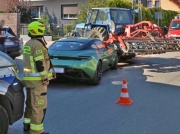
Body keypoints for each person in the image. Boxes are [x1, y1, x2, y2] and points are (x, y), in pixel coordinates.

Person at [23, 21, 56, 134]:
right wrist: (45, 78)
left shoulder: (28, 43)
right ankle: (37, 131)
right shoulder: (37, 44)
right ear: (39, 30)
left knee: (30, 105)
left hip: (29, 81)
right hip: (38, 82)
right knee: (39, 107)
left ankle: (26, 125)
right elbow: (39, 63)